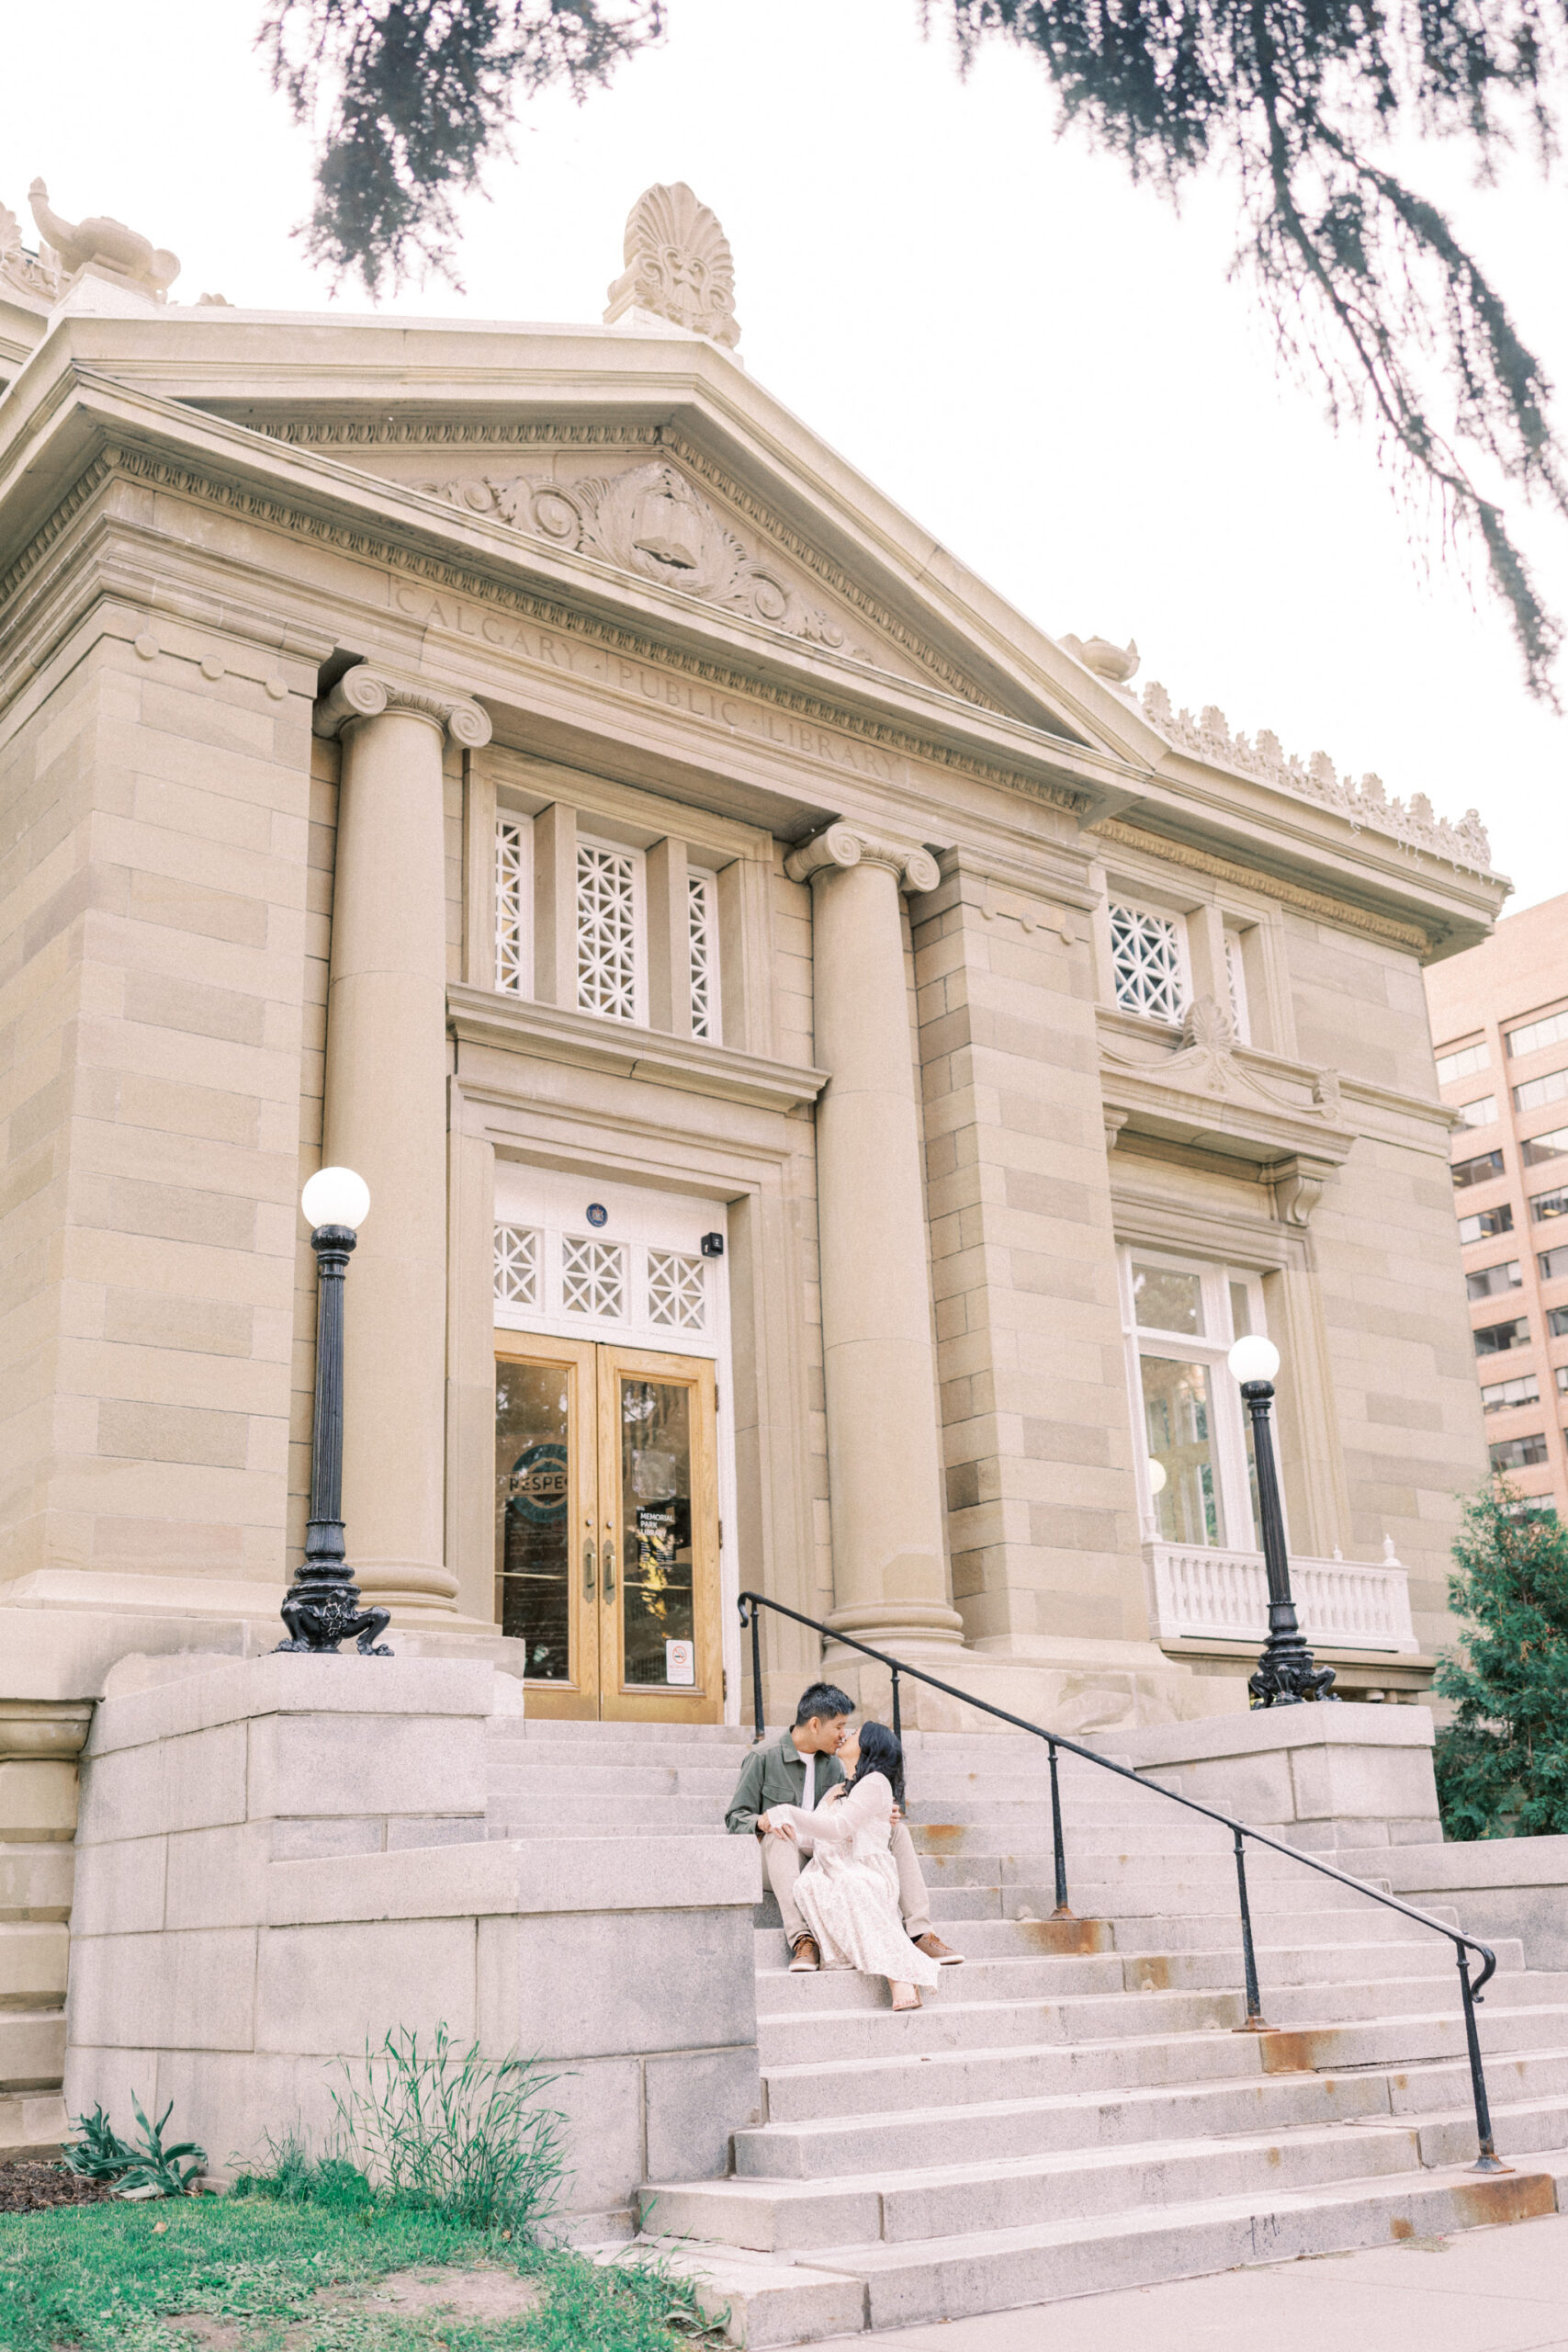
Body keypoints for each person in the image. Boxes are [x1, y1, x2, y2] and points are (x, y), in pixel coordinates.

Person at [725, 1680, 962, 1973]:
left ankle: (920, 1932)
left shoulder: (835, 1765)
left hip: (824, 1853)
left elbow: (843, 1817)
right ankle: (802, 1939)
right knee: (781, 1833)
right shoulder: (763, 1757)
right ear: (815, 1724)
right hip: (777, 1858)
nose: (843, 1735)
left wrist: (880, 1817)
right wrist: (760, 1821)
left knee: (896, 1830)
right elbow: (735, 1817)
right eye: (838, 1727)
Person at [763, 1722, 940, 2011]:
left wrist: (789, 1812)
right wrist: (785, 1829)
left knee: (854, 1884)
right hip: (833, 1865)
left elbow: (838, 1827)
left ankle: (901, 1975)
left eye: (855, 1732)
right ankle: (814, 1943)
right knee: (811, 1884)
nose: (847, 1733)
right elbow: (814, 1840)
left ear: (870, 1745)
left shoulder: (876, 1782)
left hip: (864, 1866)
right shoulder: (837, 1789)